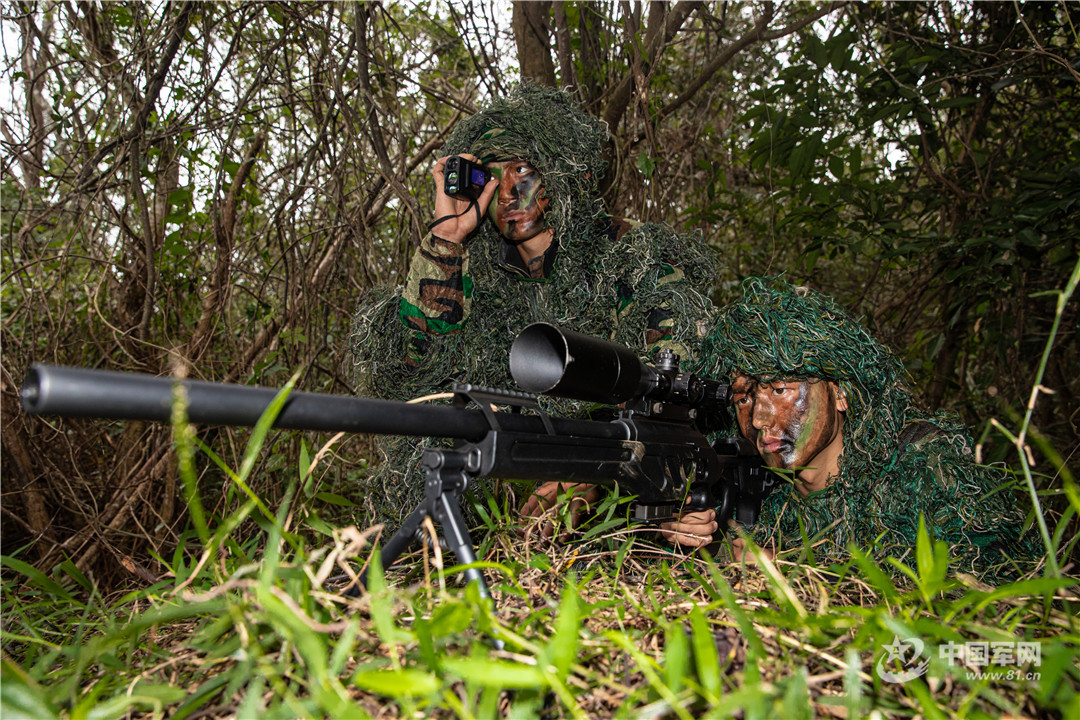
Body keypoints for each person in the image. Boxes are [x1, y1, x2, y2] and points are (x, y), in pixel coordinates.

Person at [347, 83, 719, 525]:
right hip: (513, 475)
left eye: (522, 170)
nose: (507, 193)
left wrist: (590, 469)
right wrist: (446, 238)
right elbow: (412, 373)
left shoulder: (631, 257)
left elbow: (670, 387)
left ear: (562, 176)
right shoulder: (476, 273)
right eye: (491, 177)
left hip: (625, 476)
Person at [667, 276, 1042, 581]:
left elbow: (997, 591)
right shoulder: (762, 494)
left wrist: (799, 576)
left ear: (841, 393)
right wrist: (698, 541)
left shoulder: (923, 464)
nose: (761, 419)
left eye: (780, 390)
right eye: (744, 399)